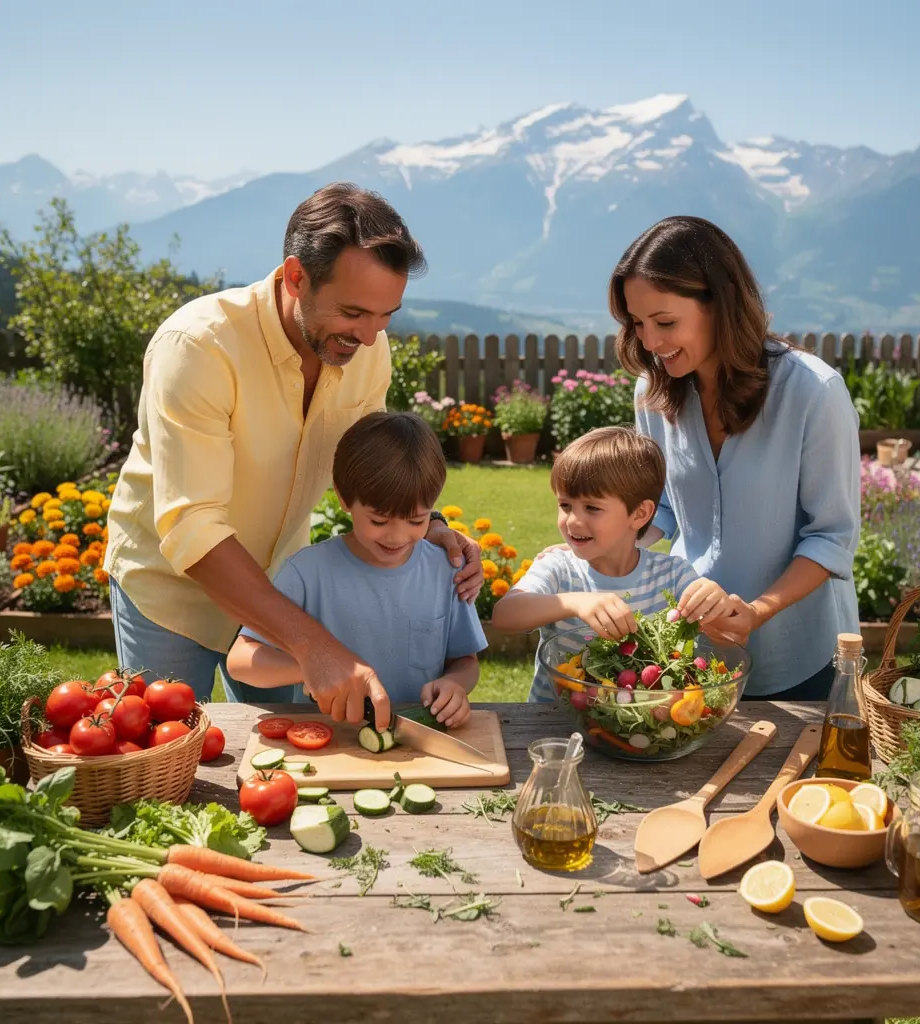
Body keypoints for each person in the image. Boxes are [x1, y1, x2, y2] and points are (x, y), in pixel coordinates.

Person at [105, 183, 482, 726]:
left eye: (386, 316)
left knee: (286, 757)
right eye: (355, 312)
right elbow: (193, 526)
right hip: (169, 591)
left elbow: (365, 469)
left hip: (285, 581)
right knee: (163, 760)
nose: (372, 337)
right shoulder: (199, 346)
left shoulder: (366, 352)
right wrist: (313, 645)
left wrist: (432, 525)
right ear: (296, 275)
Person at [610, 215, 860, 700]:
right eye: (637, 324)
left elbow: (831, 538)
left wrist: (758, 611)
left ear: (720, 304)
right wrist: (602, 539)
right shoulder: (655, 391)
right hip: (697, 646)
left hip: (801, 657)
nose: (650, 343)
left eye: (665, 322)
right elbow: (661, 508)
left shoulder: (813, 392)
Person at [227, 412, 486, 727]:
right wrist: (313, 664)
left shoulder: (446, 571)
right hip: (330, 740)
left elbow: (465, 661)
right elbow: (240, 661)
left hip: (418, 743)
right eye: (379, 520)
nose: (397, 537)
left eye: (417, 520)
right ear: (343, 496)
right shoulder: (307, 572)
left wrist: (456, 684)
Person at [492, 426, 737, 703]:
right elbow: (504, 616)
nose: (573, 521)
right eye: (565, 505)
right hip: (554, 725)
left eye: (592, 508)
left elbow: (729, 640)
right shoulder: (559, 569)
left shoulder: (672, 575)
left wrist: (718, 604)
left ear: (639, 513)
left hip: (646, 725)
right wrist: (574, 603)